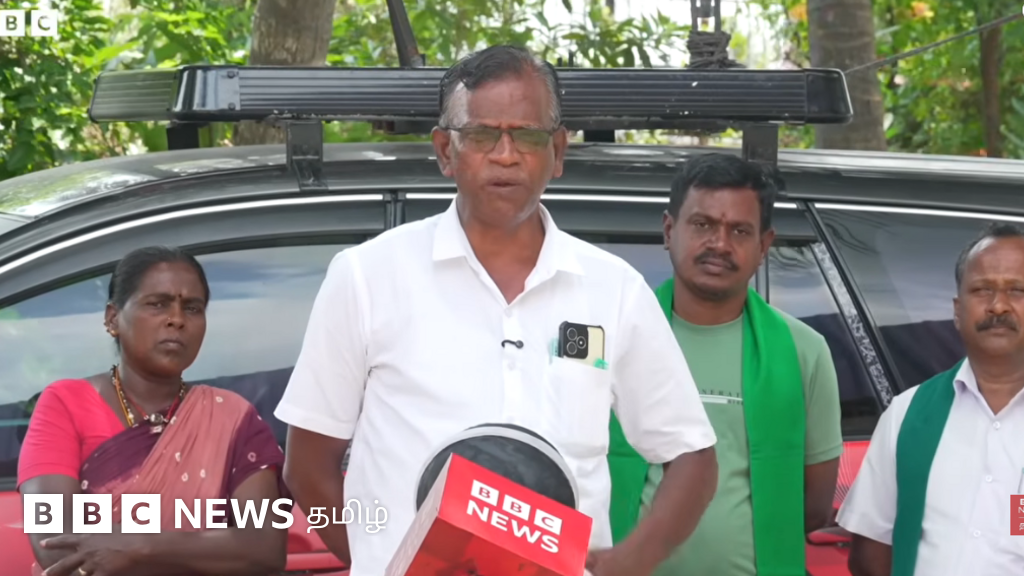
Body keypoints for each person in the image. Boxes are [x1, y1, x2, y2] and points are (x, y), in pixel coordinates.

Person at [274, 45, 719, 576]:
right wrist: (384, 559)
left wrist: (628, 561)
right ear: (445, 150)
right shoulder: (367, 277)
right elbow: (308, 468)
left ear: (558, 151)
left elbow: (693, 457)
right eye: (482, 135)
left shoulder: (614, 289)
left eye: (527, 136)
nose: (506, 155)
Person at [607, 153, 844, 576]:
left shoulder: (804, 351)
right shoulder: (612, 338)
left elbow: (811, 507)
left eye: (739, 230)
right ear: (669, 230)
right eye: (702, 225)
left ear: (764, 246)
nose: (719, 243)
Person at [18, 246, 288, 576]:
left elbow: (265, 547)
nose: (177, 319)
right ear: (113, 318)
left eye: (192, 308)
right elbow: (56, 544)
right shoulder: (65, 404)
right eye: (158, 304)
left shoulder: (233, 419)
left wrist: (140, 545)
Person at [837, 222, 1024, 576]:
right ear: (957, 310)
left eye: (1017, 290)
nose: (998, 305)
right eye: (982, 290)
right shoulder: (906, 415)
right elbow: (870, 554)